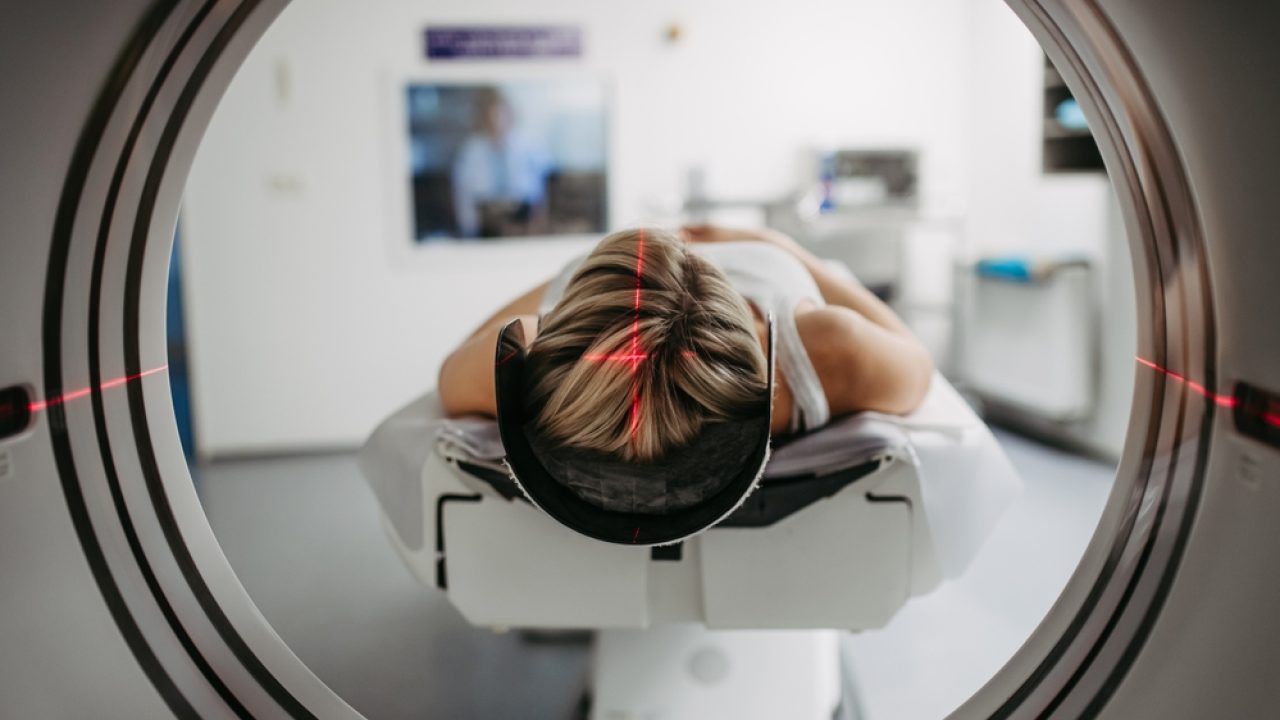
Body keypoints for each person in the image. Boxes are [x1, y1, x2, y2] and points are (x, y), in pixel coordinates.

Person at [438, 226, 934, 463]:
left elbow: (453, 366)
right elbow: (917, 360)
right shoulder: (827, 350)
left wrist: (583, 273)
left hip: (602, 280)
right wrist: (787, 249)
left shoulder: (518, 360)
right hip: (735, 258)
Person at [451, 88, 552, 238]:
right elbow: (463, 196)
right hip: (487, 225)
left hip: (523, 221)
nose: (497, 121)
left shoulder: (529, 145)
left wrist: (540, 220)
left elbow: (546, 183)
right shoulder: (471, 152)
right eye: (491, 116)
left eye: (500, 114)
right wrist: (470, 231)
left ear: (509, 114)